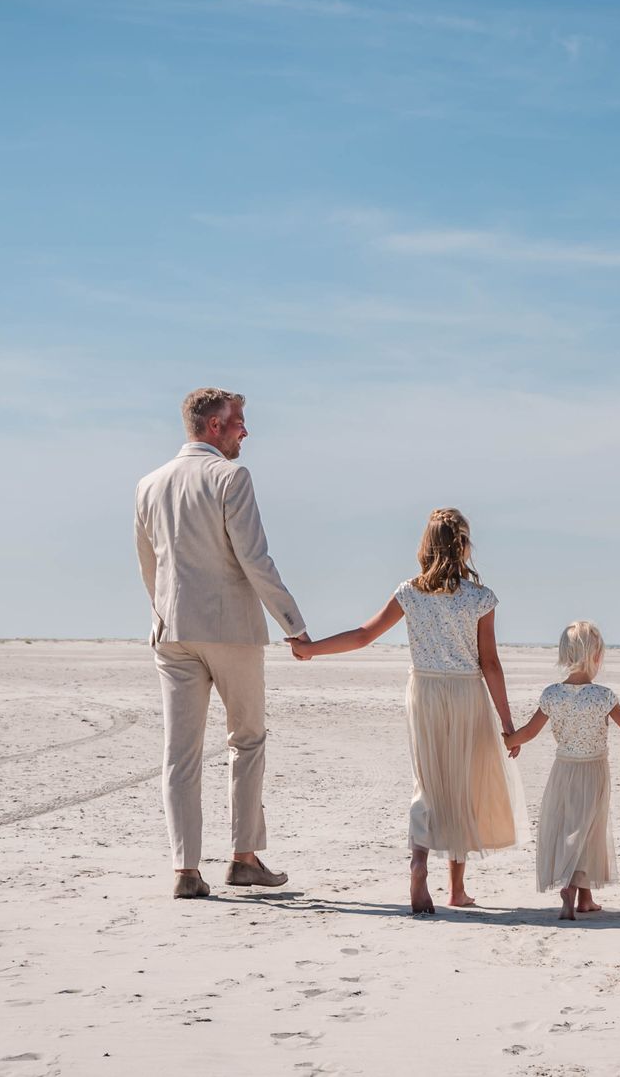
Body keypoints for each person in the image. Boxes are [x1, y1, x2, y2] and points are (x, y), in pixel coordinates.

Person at [291, 508, 525, 914]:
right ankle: (457, 888)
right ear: (464, 547)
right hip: (467, 694)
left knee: (429, 783)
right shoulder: (480, 598)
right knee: (462, 784)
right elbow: (490, 663)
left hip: (425, 692)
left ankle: (419, 861)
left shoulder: (410, 592)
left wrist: (311, 649)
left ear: (426, 546)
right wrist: (507, 723)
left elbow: (364, 636)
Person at [134, 388, 307, 899]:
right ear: (214, 426)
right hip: (230, 629)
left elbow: (149, 565)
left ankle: (185, 870)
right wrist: (293, 624)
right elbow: (255, 559)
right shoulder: (231, 476)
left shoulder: (148, 483)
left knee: (179, 754)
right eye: (239, 423)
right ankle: (244, 857)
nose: (245, 432)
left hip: (172, 631)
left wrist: (164, 613)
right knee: (247, 740)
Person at [505, 621, 620, 920]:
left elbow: (529, 731)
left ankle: (583, 897)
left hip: (563, 771)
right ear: (596, 656)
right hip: (593, 772)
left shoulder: (552, 694)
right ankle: (572, 887)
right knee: (590, 830)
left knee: (568, 825)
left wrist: (510, 741)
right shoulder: (602, 696)